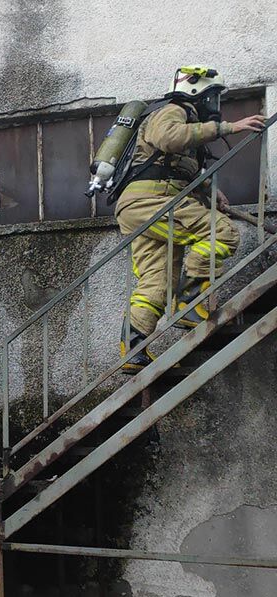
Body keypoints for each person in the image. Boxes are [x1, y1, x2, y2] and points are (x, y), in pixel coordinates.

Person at [115, 66, 267, 372]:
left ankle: (133, 350)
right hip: (153, 199)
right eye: (212, 96)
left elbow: (185, 172)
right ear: (196, 93)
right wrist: (226, 128)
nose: (215, 104)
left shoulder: (189, 126)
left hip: (143, 204)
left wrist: (214, 194)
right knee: (222, 232)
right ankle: (189, 303)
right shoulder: (173, 111)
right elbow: (167, 138)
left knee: (157, 283)